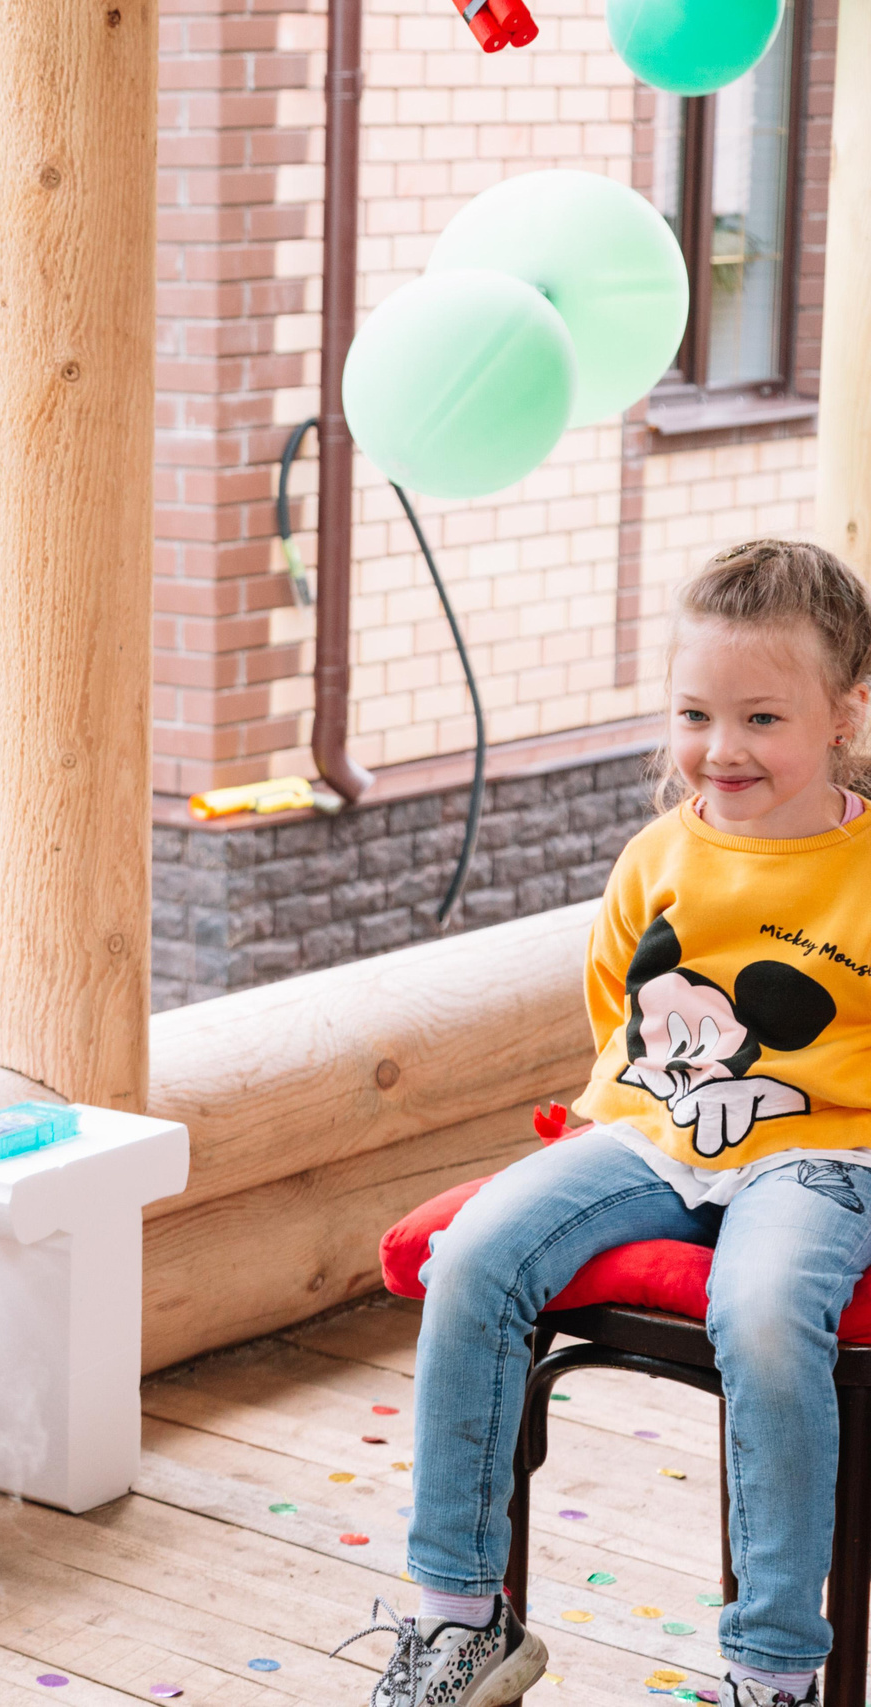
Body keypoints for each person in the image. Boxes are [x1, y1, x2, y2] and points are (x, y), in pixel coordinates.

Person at [363, 539, 871, 1707]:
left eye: (759, 717)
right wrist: (654, 1120)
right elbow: (618, 1012)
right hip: (651, 1134)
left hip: (820, 1156)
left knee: (763, 1307)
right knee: (476, 1254)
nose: (720, 748)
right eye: (694, 713)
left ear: (845, 714)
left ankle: (774, 1670)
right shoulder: (658, 854)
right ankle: (459, 1619)